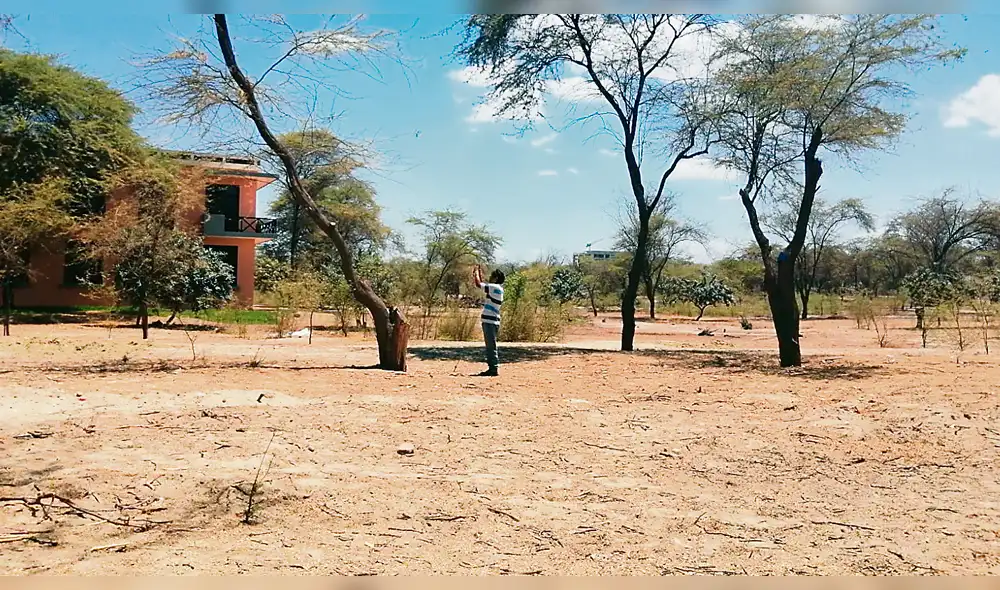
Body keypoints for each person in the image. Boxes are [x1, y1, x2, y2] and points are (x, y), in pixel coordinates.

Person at [472, 265, 505, 377]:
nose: (490, 278)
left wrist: (476, 273)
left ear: (496, 278)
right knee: (490, 345)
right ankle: (492, 367)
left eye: (492, 276)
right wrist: (479, 273)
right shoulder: (496, 289)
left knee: (491, 345)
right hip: (490, 320)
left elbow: (478, 284)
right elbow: (482, 284)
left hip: (490, 321)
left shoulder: (495, 288)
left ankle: (493, 368)